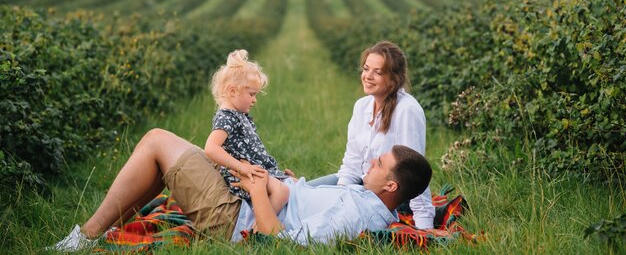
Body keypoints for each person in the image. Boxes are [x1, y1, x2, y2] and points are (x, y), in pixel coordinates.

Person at [49, 129, 432, 251]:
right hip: (257, 196)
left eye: (379, 165)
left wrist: (257, 189)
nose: (371, 163)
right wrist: (292, 183)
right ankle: (92, 235)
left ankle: (84, 238)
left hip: (238, 217)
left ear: (392, 186)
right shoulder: (367, 198)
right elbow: (308, 204)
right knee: (176, 156)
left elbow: (283, 242)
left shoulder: (357, 214)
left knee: (155, 141)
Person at [308, 40, 436, 229]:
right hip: (360, 184)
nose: (368, 76)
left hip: (387, 195)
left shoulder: (407, 110)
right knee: (301, 193)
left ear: (394, 79)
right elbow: (352, 163)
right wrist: (340, 196)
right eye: (366, 69)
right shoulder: (361, 106)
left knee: (312, 206)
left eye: (378, 72)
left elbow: (413, 173)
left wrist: (425, 227)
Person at [204, 49, 289, 216]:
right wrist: (241, 168)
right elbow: (211, 148)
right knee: (282, 192)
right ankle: (260, 230)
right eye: (251, 94)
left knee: (290, 184)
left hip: (253, 169)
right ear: (232, 91)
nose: (255, 99)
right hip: (242, 174)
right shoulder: (227, 117)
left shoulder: (238, 115)